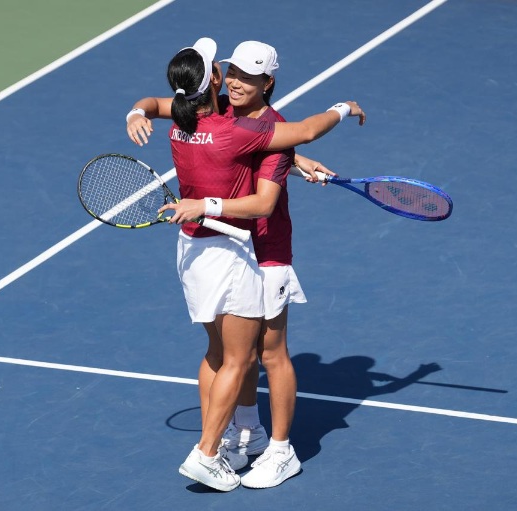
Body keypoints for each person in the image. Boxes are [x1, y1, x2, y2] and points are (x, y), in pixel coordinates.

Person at [128, 37, 364, 492]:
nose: (235, 81)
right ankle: (232, 442)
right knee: (236, 355)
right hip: (232, 246)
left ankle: (273, 446)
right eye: (230, 71)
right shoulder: (231, 124)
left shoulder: (202, 116)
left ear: (267, 82)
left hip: (263, 250)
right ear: (214, 78)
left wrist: (293, 161)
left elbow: (272, 156)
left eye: (247, 77)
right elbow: (287, 148)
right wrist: (342, 107)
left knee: (265, 351)